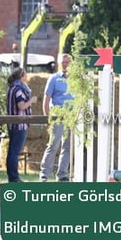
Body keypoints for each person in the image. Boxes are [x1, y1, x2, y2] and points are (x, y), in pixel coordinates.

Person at [40, 54, 74, 182]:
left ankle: (62, 174)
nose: (65, 64)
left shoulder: (75, 80)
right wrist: (47, 117)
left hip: (71, 117)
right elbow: (46, 99)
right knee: (53, 145)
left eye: (67, 62)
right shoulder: (54, 78)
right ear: (60, 64)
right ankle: (44, 174)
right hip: (57, 116)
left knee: (67, 147)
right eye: (63, 62)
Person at [6, 67, 37, 182]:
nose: (27, 76)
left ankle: (12, 176)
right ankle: (14, 178)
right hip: (19, 124)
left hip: (12, 124)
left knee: (12, 151)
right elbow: (22, 106)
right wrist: (31, 101)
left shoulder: (11, 88)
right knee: (14, 152)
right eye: (25, 74)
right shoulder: (18, 89)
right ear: (21, 76)